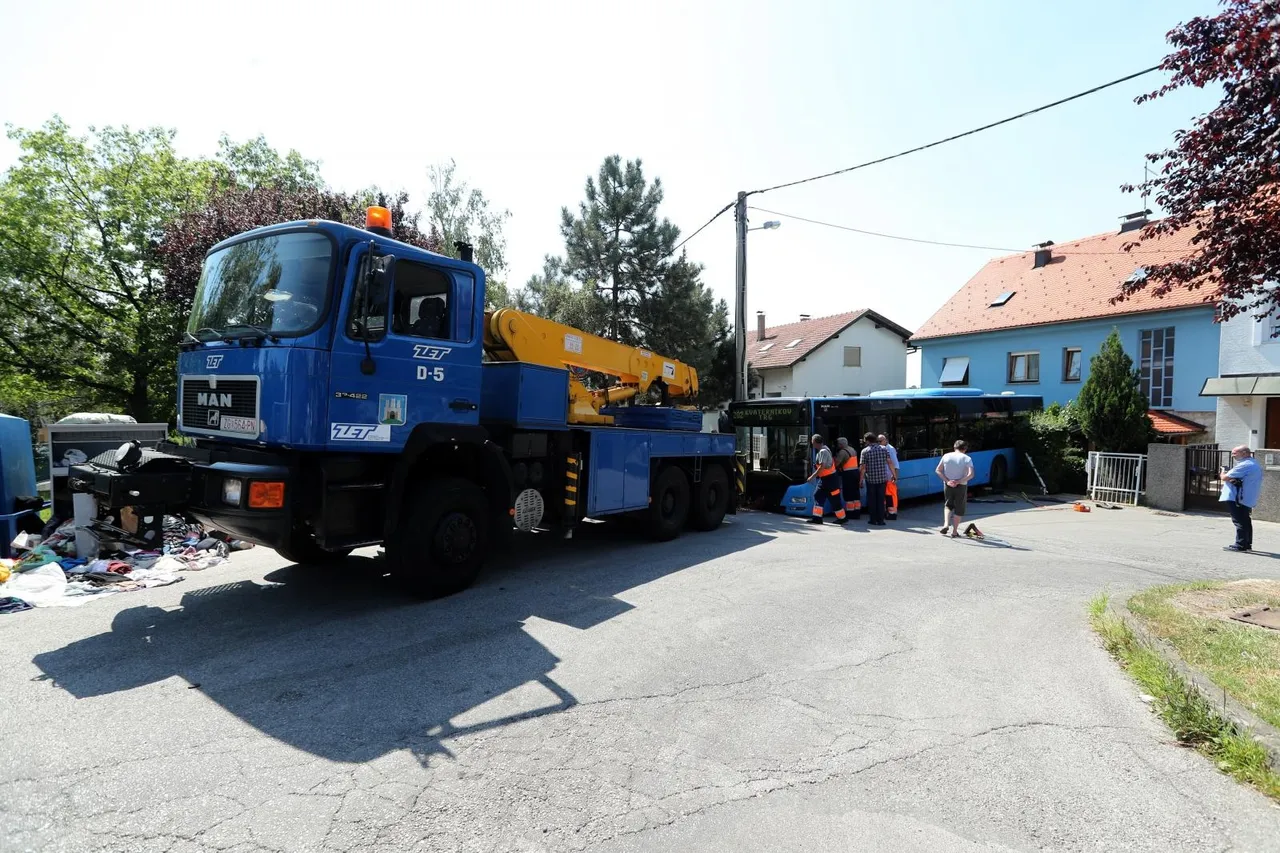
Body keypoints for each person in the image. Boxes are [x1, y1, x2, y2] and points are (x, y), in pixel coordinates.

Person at [1220, 445, 1263, 552]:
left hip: (1237, 497)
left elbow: (1224, 478)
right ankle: (1247, 543)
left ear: (1244, 453)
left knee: (1239, 520)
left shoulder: (1245, 465)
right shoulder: (1252, 463)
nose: (1233, 455)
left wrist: (1223, 471)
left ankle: (1240, 544)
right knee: (1245, 520)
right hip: (1245, 497)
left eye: (1235, 453)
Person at [936, 439, 975, 538]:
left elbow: (938, 470)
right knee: (959, 508)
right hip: (961, 485)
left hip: (948, 484)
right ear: (965, 449)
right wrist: (959, 481)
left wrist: (947, 480)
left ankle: (945, 524)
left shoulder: (946, 456)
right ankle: (954, 532)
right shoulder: (967, 458)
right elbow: (971, 475)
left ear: (954, 447)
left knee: (948, 505)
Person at [805, 434, 847, 525]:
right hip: (825, 479)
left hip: (830, 479)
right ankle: (817, 518)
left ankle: (842, 518)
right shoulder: (825, 449)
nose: (812, 444)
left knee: (834, 498)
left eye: (812, 442)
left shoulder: (823, 451)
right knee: (818, 495)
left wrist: (811, 477)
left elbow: (821, 467)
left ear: (815, 442)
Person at [860, 431, 894, 526]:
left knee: (872, 500)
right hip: (882, 479)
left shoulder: (865, 451)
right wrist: (894, 474)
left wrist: (860, 480)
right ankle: (881, 520)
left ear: (867, 441)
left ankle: (873, 520)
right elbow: (889, 462)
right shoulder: (884, 449)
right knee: (880, 499)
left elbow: (863, 467)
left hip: (870, 480)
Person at [836, 437, 862, 518]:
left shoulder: (842, 452)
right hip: (856, 473)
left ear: (841, 444)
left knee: (848, 494)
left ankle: (850, 513)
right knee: (855, 494)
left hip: (848, 474)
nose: (838, 446)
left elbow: (837, 463)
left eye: (838, 444)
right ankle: (857, 512)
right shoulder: (852, 449)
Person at [878, 435, 900, 520]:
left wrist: (895, 476)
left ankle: (893, 513)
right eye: (878, 441)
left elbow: (895, 464)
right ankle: (889, 512)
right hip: (886, 477)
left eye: (881, 441)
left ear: (885, 440)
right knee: (888, 496)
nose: (879, 443)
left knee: (891, 496)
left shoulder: (890, 449)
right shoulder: (884, 448)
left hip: (890, 477)